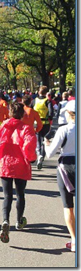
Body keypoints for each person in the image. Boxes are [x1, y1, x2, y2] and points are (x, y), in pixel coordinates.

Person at [0, 102, 37, 244]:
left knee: (7, 195)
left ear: (9, 113)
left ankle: (5, 220)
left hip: (5, 164)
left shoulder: (2, 127)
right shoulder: (26, 129)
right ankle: (19, 220)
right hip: (21, 164)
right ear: (22, 114)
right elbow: (29, 144)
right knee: (20, 193)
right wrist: (31, 158)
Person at [44, 100, 76, 252]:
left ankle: (75, 240)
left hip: (66, 167)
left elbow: (50, 153)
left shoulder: (64, 130)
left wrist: (46, 144)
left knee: (68, 206)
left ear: (69, 114)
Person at [31, 85, 54, 170]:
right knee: (44, 140)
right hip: (45, 123)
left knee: (38, 139)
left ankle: (38, 154)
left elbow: (30, 110)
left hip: (36, 123)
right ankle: (42, 155)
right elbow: (51, 112)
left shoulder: (34, 101)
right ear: (46, 93)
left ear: (38, 92)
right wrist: (50, 118)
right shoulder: (47, 101)